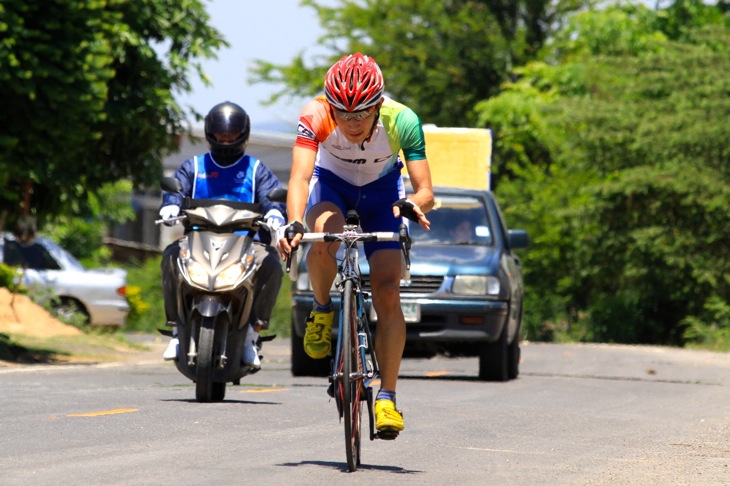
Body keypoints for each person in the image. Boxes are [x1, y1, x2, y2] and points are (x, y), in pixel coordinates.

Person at [276, 53, 434, 437]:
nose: (350, 122)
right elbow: (299, 178)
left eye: (360, 114)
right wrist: (295, 221)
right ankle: (322, 307)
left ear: (378, 104)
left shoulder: (403, 120)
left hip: (383, 198)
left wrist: (415, 203)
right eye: (342, 114)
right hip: (332, 186)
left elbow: (426, 188)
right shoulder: (315, 114)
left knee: (387, 291)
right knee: (323, 236)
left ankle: (388, 398)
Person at [159, 101, 286, 369]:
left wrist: (275, 213)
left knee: (273, 264)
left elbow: (271, 194)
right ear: (209, 134)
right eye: (220, 134)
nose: (226, 139)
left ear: (243, 133)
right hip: (197, 241)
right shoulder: (195, 166)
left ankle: (253, 333)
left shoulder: (256, 169)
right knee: (170, 256)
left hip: (247, 243)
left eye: (231, 134)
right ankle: (175, 331)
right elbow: (177, 187)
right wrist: (171, 203)